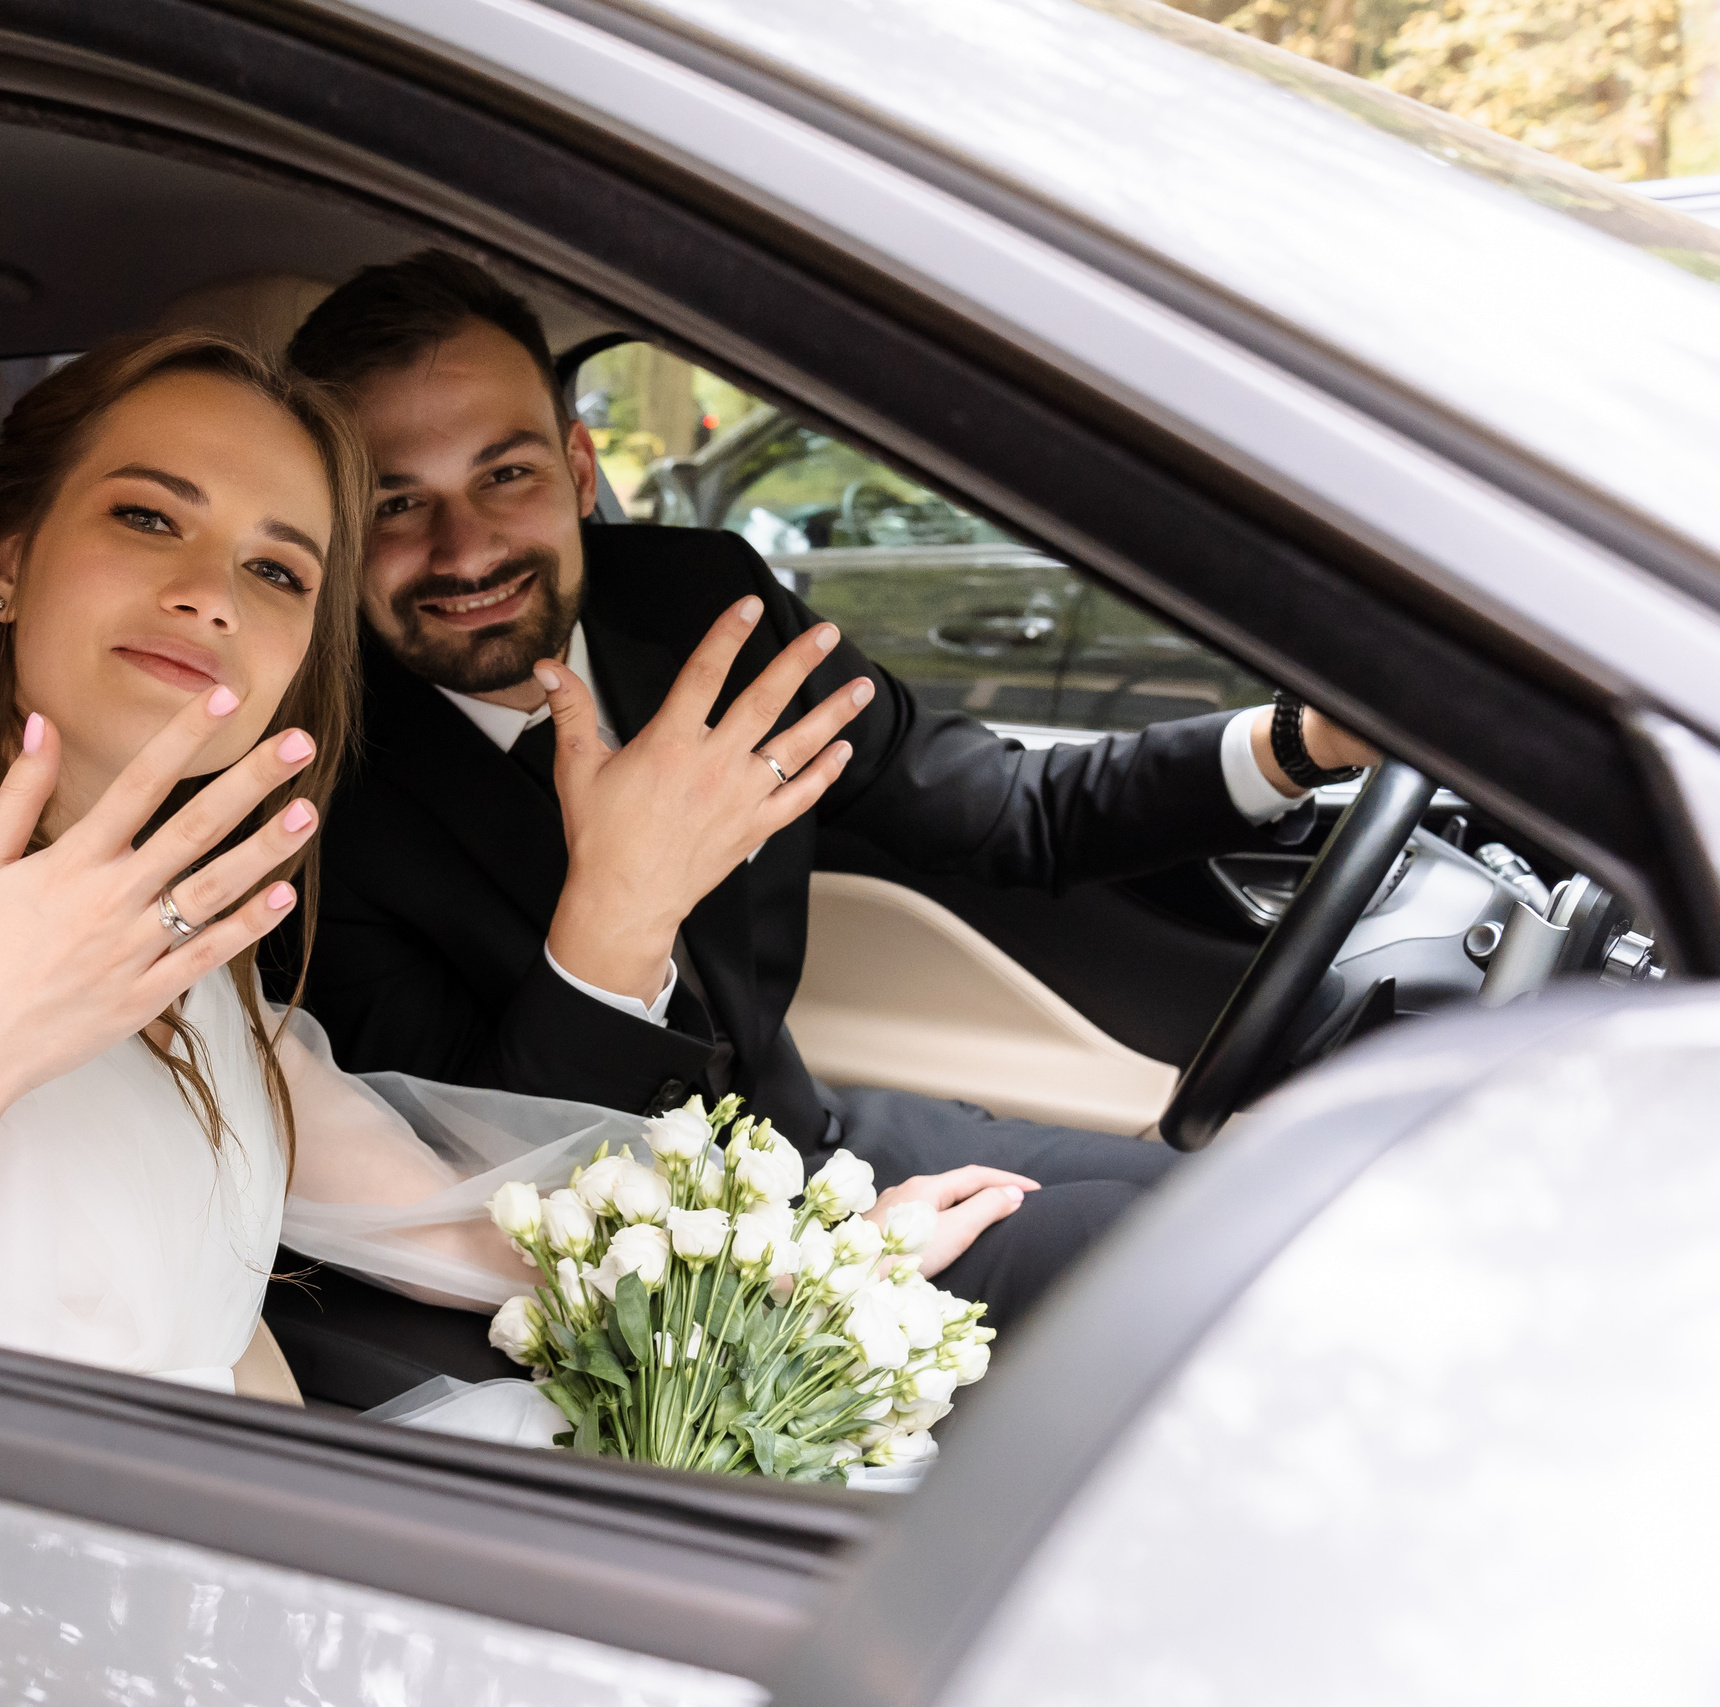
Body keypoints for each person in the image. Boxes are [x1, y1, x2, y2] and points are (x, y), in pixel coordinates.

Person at [0, 328, 1034, 1412]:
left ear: (309, 643)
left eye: (279, 565)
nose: (205, 592)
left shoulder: (203, 950)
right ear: (15, 555)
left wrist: (814, 1263)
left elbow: (456, 1223)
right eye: (149, 514)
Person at [263, 252, 1377, 1396]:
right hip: (623, 1285)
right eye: (395, 503)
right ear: (333, 528)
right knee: (1147, 1273)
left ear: (578, 464)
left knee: (1248, 1209)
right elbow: (479, 1179)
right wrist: (621, 909)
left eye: (506, 475)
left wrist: (1304, 745)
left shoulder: (702, 603)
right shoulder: (309, 795)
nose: (465, 550)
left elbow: (1006, 811)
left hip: (797, 1138)